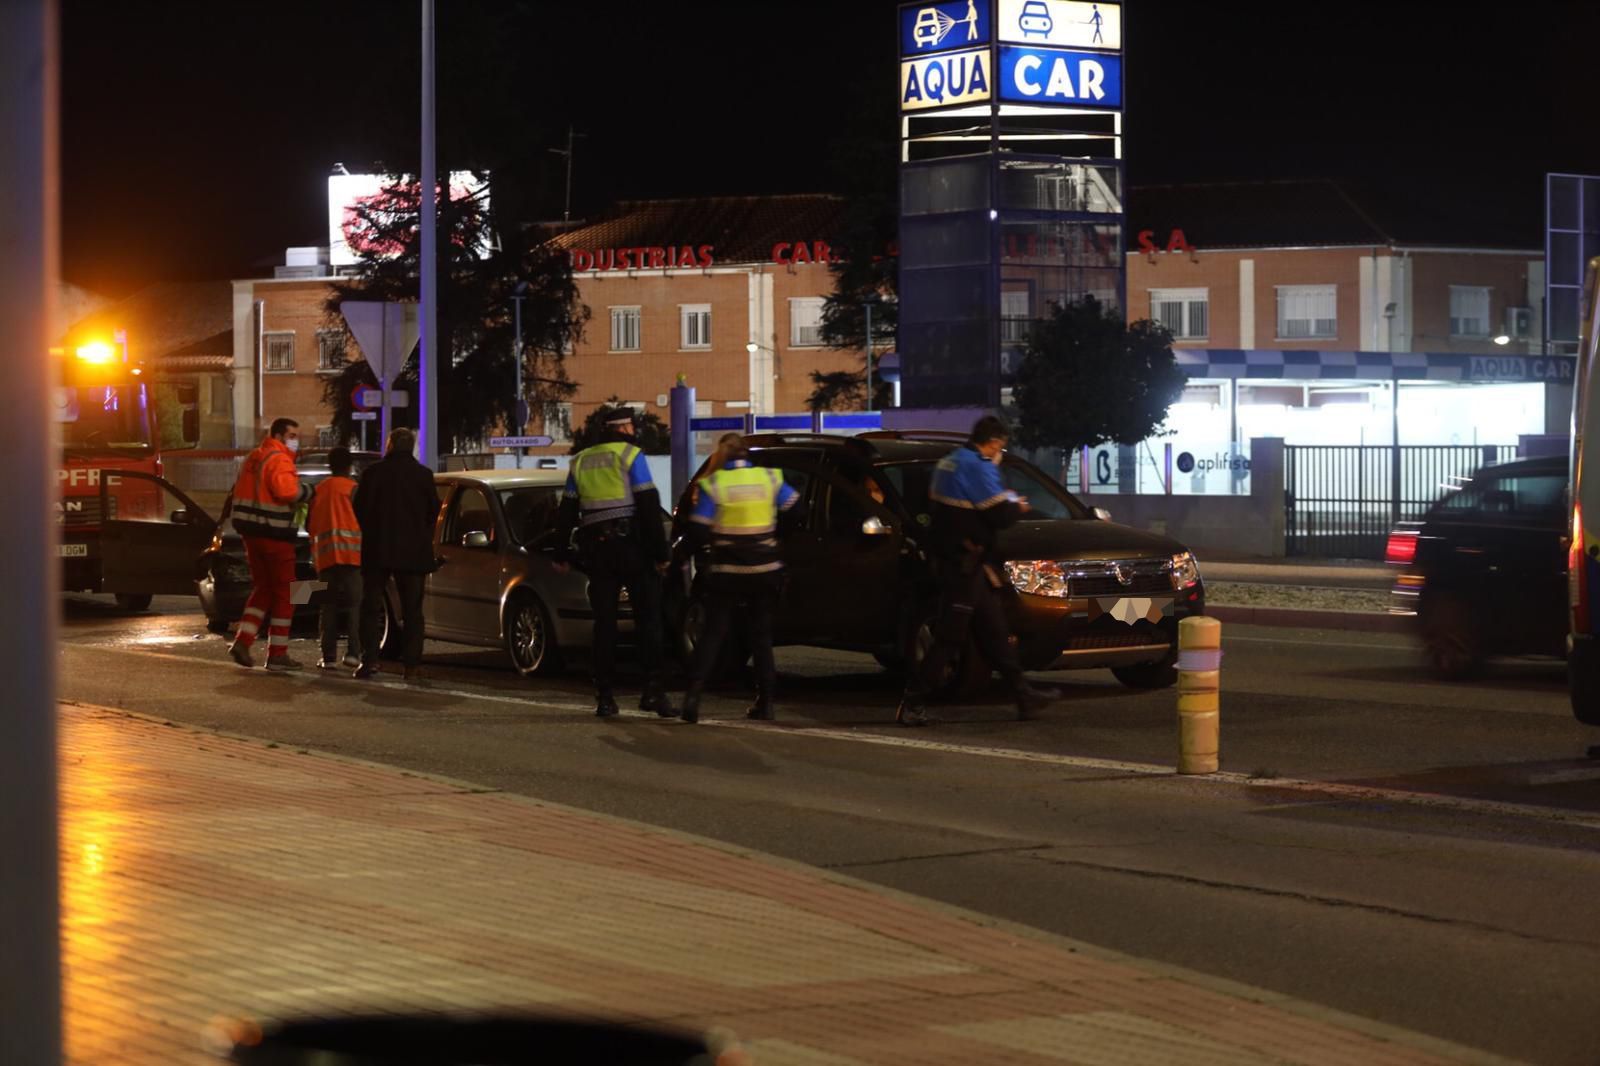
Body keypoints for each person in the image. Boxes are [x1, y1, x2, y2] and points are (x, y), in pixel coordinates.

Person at [895, 416, 1055, 726]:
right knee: (950, 637)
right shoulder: (977, 465)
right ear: (993, 442)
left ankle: (1024, 696)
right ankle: (913, 700)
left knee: (995, 631)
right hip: (963, 566)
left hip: (964, 562)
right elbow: (999, 515)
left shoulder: (950, 461)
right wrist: (1017, 506)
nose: (1001, 453)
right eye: (1001, 446)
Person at [554, 405, 675, 718]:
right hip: (632, 548)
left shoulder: (579, 461)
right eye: (632, 427)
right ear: (624, 429)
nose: (634, 432)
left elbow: (566, 511)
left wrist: (561, 553)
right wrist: (661, 555)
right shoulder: (631, 456)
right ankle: (653, 691)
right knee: (649, 620)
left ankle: (605, 696)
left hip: (598, 551)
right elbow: (649, 506)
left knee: (604, 625)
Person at [679, 436, 798, 724]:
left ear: (723, 455)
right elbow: (796, 508)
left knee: (714, 632)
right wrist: (776, 539)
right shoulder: (769, 478)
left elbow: (697, 531)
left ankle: (693, 699)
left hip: (728, 570)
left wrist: (686, 555)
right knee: (761, 636)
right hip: (765, 568)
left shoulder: (715, 484)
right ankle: (766, 703)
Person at [353, 428, 440, 682]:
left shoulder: (372, 474)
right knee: (413, 610)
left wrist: (374, 531)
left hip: (377, 550)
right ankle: (411, 666)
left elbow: (360, 510)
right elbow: (432, 511)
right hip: (413, 553)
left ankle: (369, 661)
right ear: (411, 446)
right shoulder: (423, 475)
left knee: (370, 606)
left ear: (389, 444)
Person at [227, 417, 313, 671]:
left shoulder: (254, 457)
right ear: (278, 435)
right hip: (275, 535)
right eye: (292, 436)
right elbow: (287, 492)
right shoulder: (279, 458)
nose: (296, 441)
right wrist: (308, 491)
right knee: (287, 593)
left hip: (252, 535)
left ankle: (243, 641)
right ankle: (277, 654)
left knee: (263, 588)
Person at [307, 447, 363, 670]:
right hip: (352, 557)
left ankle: (328, 656)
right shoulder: (354, 489)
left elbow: (308, 525)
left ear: (330, 466)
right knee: (354, 606)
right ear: (349, 466)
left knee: (326, 606)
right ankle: (353, 654)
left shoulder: (318, 490)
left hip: (324, 559)